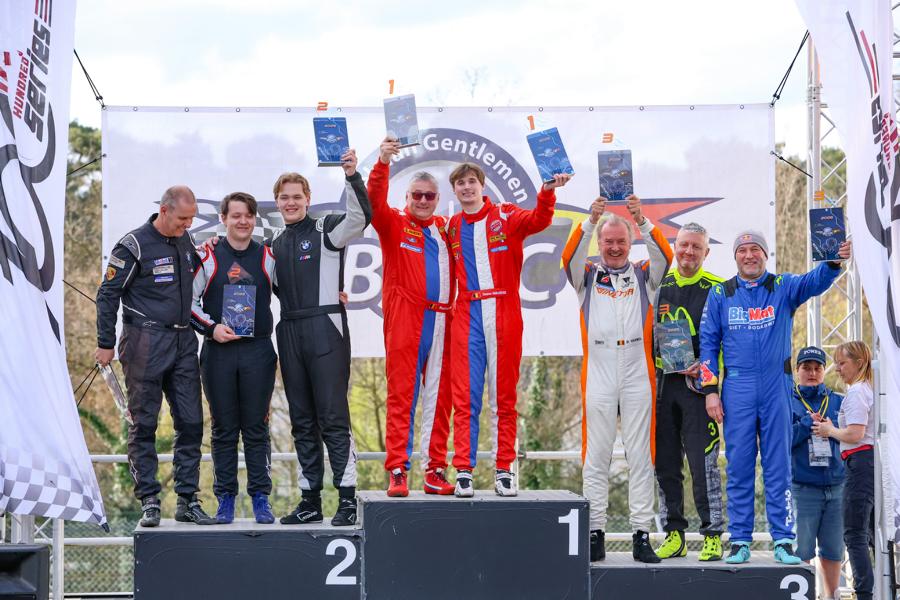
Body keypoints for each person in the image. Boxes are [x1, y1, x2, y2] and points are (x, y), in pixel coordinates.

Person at [698, 230, 851, 564]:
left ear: (765, 255)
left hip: (775, 386)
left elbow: (814, 281)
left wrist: (832, 262)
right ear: (735, 257)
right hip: (737, 387)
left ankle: (782, 539)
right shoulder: (721, 293)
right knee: (738, 465)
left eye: (756, 250)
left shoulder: (782, 286)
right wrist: (710, 391)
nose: (749, 255)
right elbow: (707, 344)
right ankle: (740, 540)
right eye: (742, 250)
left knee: (778, 464)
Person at [95, 185, 216, 527]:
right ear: (164, 210)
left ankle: (188, 500)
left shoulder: (184, 239)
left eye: (191, 219)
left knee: (191, 422)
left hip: (183, 341)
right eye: (183, 219)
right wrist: (105, 342)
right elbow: (107, 295)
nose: (188, 225)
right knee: (144, 423)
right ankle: (149, 500)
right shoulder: (132, 245)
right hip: (144, 341)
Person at [448, 163, 571, 498]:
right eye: (460, 183)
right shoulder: (452, 226)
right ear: (454, 190)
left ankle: (504, 469)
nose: (466, 188)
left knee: (504, 397)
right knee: (466, 396)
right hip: (468, 312)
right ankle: (464, 470)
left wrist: (547, 191)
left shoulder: (505, 215)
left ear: (482, 185)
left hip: (504, 309)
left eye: (471, 181)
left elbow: (539, 220)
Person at [562, 196, 672, 563]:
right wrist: (589, 222)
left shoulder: (644, 275)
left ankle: (641, 534)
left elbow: (666, 256)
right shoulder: (587, 276)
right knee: (596, 456)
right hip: (600, 369)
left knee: (641, 456)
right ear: (599, 242)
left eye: (620, 241)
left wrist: (642, 220)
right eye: (608, 241)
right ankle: (595, 533)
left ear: (630, 242)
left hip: (637, 370)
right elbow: (568, 258)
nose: (614, 247)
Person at [272, 149, 371, 527]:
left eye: (297, 196)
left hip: (326, 327)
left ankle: (347, 498)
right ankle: (310, 500)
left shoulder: (326, 228)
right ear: (277, 202)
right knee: (301, 419)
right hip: (290, 330)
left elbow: (360, 218)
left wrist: (352, 175)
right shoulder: (274, 244)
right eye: (285, 197)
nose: (291, 202)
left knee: (332, 416)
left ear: (308, 199)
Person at [367, 138, 455, 496]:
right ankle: (397, 469)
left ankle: (434, 469)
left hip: (443, 321)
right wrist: (382, 162)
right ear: (406, 197)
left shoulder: (445, 228)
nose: (422, 201)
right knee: (401, 396)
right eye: (416, 195)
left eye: (429, 196)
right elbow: (373, 201)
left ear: (437, 199)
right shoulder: (394, 223)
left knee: (440, 399)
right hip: (407, 319)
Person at [190, 192, 277, 524]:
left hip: (258, 351)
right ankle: (225, 498)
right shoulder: (207, 255)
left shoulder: (268, 256)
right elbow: (188, 302)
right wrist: (211, 328)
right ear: (223, 219)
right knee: (224, 429)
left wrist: (333, 293)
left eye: (248, 215)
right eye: (236, 215)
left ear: (255, 219)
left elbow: (297, 290)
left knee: (256, 427)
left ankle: (261, 498)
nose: (243, 221)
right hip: (219, 353)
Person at [651, 222, 724, 561]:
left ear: (706, 252)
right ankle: (674, 534)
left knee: (703, 463)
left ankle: (712, 535)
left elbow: (725, 343)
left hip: (699, 389)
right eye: (683, 245)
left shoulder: (718, 288)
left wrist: (707, 375)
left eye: (696, 247)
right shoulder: (659, 286)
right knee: (666, 463)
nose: (689, 252)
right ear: (674, 247)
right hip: (664, 386)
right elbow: (648, 338)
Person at [812, 341, 875, 600]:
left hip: (860, 463)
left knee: (854, 533)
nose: (837, 369)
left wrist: (830, 431)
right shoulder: (868, 389)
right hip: (868, 463)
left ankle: (864, 593)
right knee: (869, 531)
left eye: (842, 363)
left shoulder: (857, 391)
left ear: (859, 363)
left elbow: (855, 434)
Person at [790, 345, 844, 600]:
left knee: (833, 550)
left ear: (824, 371)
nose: (812, 373)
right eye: (806, 368)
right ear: (797, 370)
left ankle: (831, 596)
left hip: (837, 487)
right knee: (801, 551)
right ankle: (803, 596)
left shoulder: (838, 401)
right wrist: (805, 424)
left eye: (817, 368)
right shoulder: (787, 401)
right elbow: (780, 441)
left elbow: (853, 437)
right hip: (802, 488)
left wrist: (831, 430)